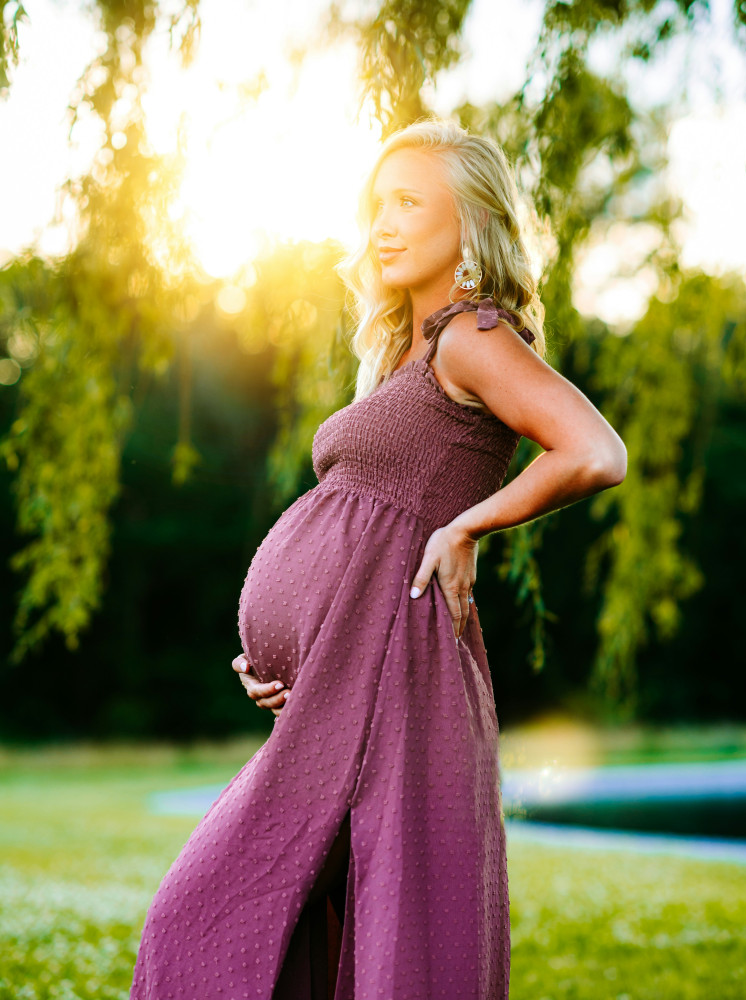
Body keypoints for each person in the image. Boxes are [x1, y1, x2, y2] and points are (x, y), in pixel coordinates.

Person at [130, 116, 626, 1000]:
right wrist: (283, 653)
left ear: (471, 222)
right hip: (339, 681)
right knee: (249, 923)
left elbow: (595, 451)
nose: (384, 225)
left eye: (409, 203)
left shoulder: (472, 337)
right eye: (377, 206)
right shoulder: (406, 352)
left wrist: (466, 528)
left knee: (223, 918)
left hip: (398, 677)